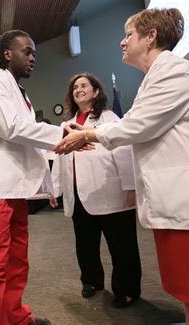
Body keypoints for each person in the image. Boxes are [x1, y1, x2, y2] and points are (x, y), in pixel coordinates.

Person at [55, 8, 189, 324]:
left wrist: (88, 134)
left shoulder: (174, 71)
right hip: (178, 202)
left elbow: (138, 125)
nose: (121, 42)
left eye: (128, 34)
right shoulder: (154, 78)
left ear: (151, 36)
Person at [0, 29, 64, 325]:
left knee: (16, 261)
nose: (33, 57)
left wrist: (47, 185)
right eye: (27, 51)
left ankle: (16, 317)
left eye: (34, 53)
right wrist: (63, 133)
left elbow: (28, 143)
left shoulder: (21, 93)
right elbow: (10, 127)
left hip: (14, 189)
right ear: (8, 54)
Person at [51, 73, 141, 308]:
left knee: (121, 244)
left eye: (84, 86)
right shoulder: (66, 124)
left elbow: (124, 152)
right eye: (75, 87)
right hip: (79, 195)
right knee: (85, 244)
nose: (78, 89)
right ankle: (91, 281)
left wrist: (130, 186)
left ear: (97, 92)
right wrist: (55, 189)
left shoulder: (109, 117)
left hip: (110, 193)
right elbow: (59, 159)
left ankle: (127, 289)